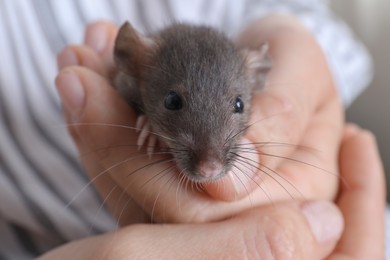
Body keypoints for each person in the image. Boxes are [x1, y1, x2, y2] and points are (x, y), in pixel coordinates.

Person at [0, 1, 383, 259]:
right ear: (133, 59)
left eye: (236, 107)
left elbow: (299, 24)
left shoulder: (245, 64)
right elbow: (121, 83)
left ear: (258, 77)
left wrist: (290, 34)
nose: (209, 163)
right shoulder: (141, 68)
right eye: (173, 104)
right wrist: (144, 116)